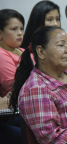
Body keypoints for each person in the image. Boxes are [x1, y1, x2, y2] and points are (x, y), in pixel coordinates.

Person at [21, 0, 67, 74]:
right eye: (50, 19)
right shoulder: (30, 49)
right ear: (39, 22)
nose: (56, 23)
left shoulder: (63, 41)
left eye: (57, 19)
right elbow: (51, 74)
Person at [0, 9, 24, 144]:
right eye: (14, 29)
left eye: (21, 28)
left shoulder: (22, 50)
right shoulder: (1, 54)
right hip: (16, 111)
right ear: (0, 33)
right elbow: (16, 87)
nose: (20, 33)